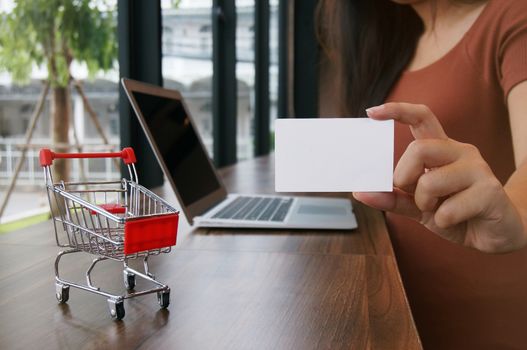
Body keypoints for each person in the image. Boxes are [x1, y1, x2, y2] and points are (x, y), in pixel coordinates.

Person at [317, 0, 527, 348]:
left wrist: (518, 212)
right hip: (393, 307)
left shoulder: (512, 17)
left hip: (480, 318)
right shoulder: (397, 42)